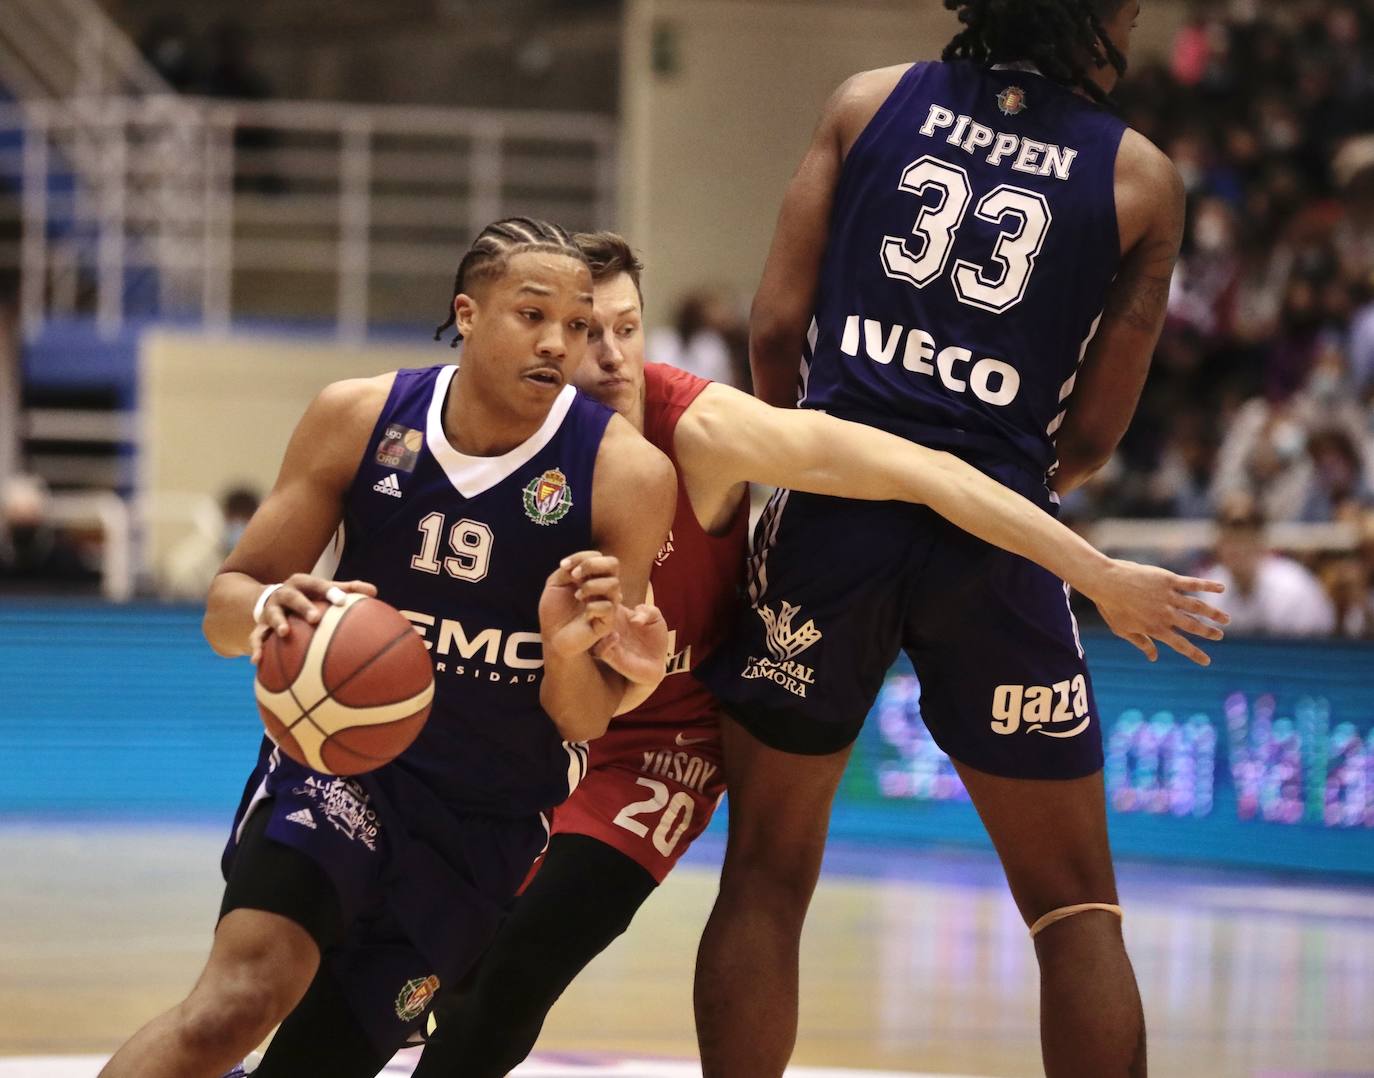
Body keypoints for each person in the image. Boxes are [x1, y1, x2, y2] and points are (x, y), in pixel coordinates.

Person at [394, 223, 1225, 1076]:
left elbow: (924, 472)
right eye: (583, 332)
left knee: (513, 969)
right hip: (530, 729)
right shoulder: (479, 430)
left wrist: (1093, 571)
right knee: (393, 953)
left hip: (652, 750)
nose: (609, 355)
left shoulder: (705, 430)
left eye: (626, 327)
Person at [692, 2, 1190, 1075]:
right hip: (1000, 533)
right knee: (1074, 909)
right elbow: (1097, 430)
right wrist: (994, 486)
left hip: (829, 513)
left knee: (767, 878)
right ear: (1101, 21)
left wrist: (803, 463)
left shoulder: (867, 103)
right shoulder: (1141, 177)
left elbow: (774, 328)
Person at [98, 217, 676, 1078]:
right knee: (234, 1005)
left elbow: (583, 716)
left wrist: (564, 648)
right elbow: (224, 610)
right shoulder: (361, 417)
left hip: (484, 823)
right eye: (533, 315)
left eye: (581, 323)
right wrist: (271, 605)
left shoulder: (626, 476)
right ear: (468, 313)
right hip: (340, 773)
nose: (562, 343)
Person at [1206, 492, 1336, 636]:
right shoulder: (1208, 590)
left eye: (1245, 538)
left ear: (1261, 542)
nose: (1238, 548)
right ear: (1218, 544)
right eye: (1230, 539)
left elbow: (1318, 650)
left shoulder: (1296, 588)